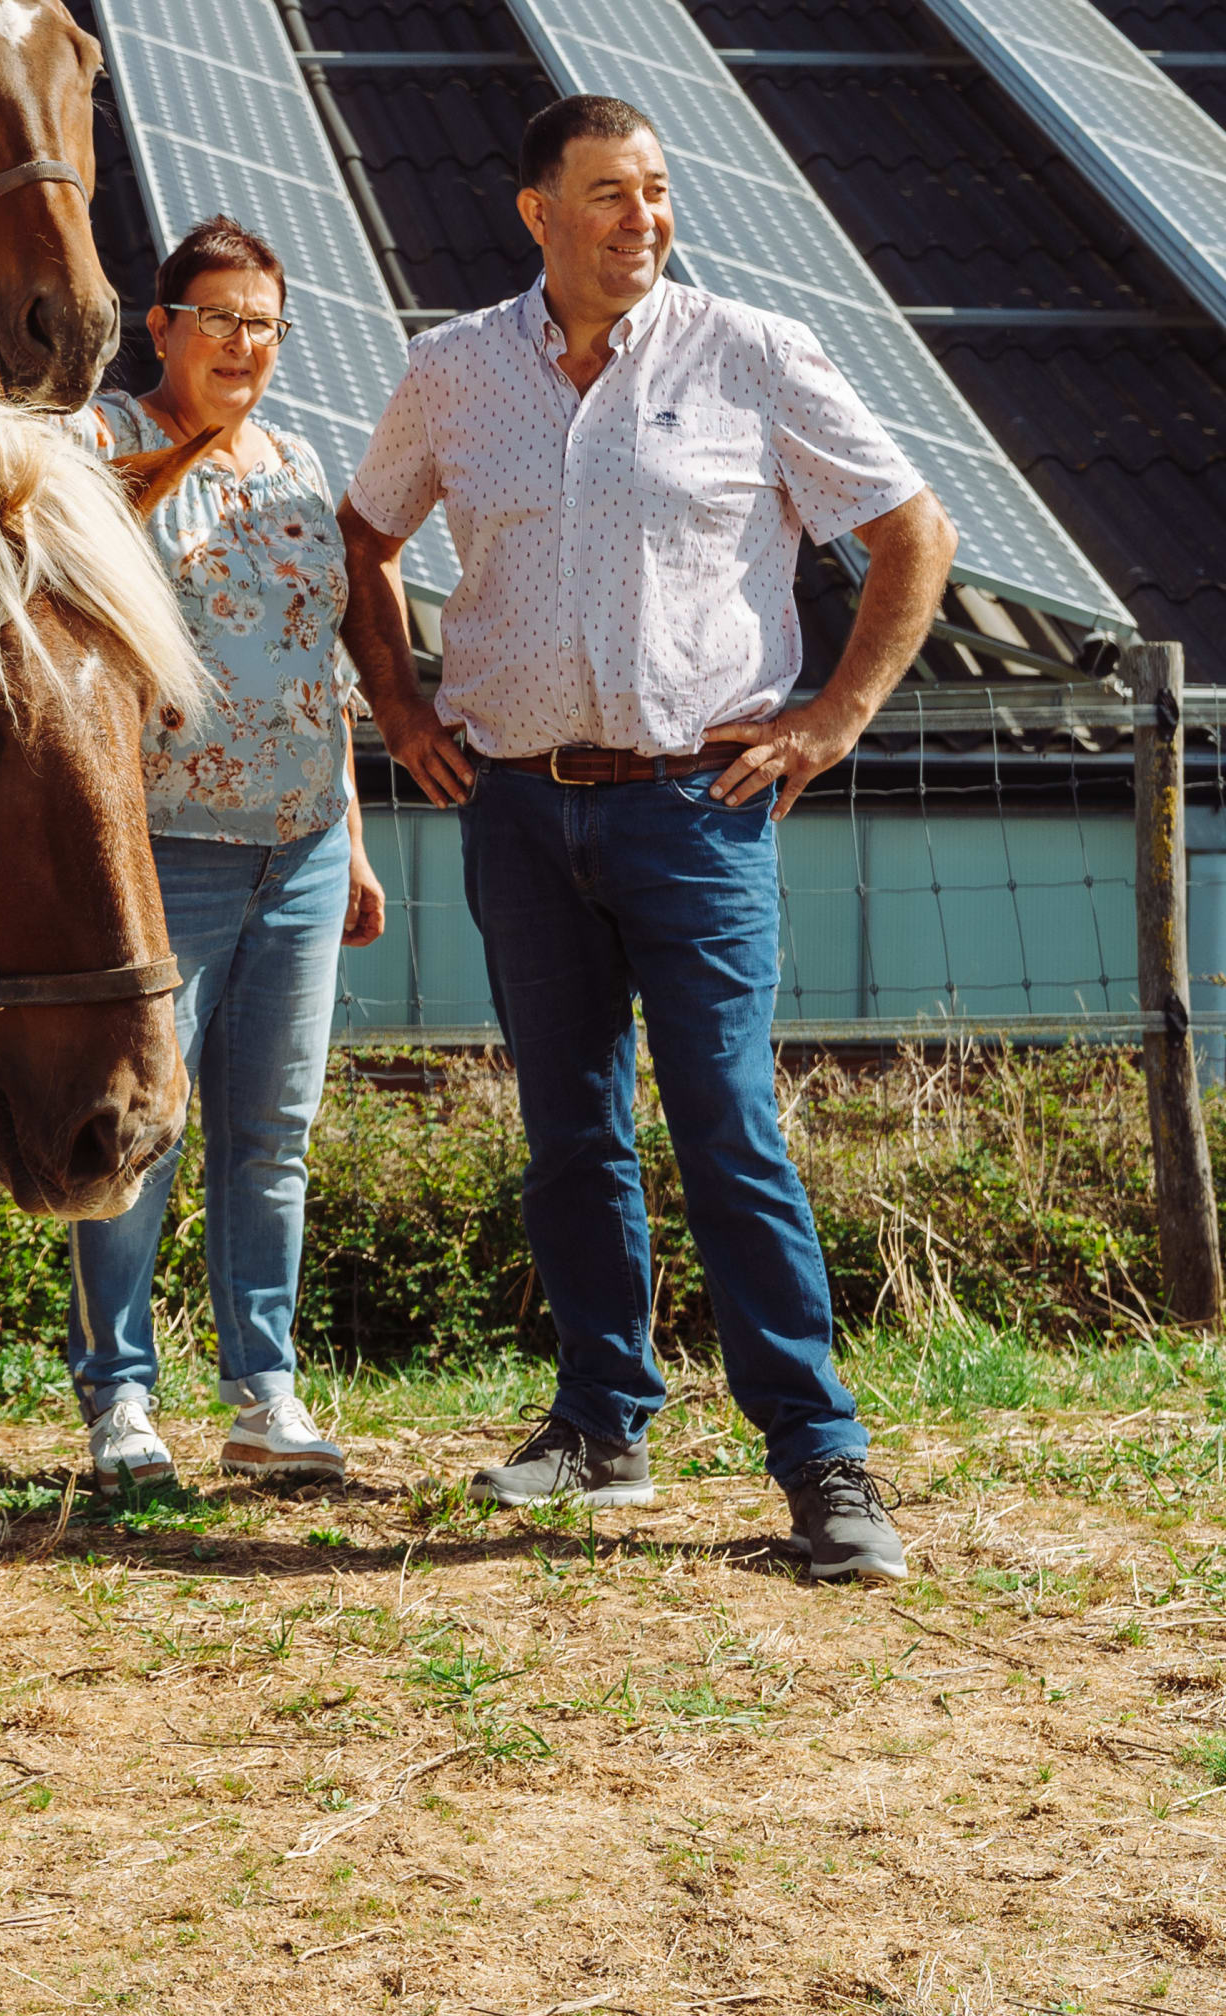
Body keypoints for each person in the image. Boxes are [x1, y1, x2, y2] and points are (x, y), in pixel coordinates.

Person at [337, 94, 953, 1584]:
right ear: (537, 211)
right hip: (519, 804)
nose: (642, 219)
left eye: (657, 192)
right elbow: (361, 538)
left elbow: (911, 531)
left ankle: (820, 1458)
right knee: (569, 1133)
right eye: (608, 193)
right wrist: (402, 705)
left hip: (700, 804)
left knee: (729, 1125)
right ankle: (603, 1421)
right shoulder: (452, 371)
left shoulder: (751, 354)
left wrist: (834, 716)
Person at [66, 216, 386, 1491]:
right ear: (163, 327)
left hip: (299, 848)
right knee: (136, 1128)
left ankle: (265, 1392)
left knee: (274, 1131)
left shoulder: (302, 461)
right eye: (220, 319)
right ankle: (121, 1401)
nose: (244, 344)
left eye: (265, 324)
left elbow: (328, 669)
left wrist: (352, 842)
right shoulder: (100, 448)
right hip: (163, 853)